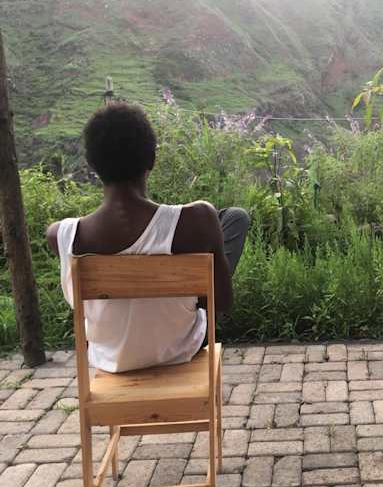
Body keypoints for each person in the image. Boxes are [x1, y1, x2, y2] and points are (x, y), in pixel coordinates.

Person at [46, 103, 250, 373]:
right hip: (179, 348)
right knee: (235, 218)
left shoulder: (61, 236)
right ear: (152, 159)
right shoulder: (200, 217)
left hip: (109, 358)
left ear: (92, 165)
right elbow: (222, 303)